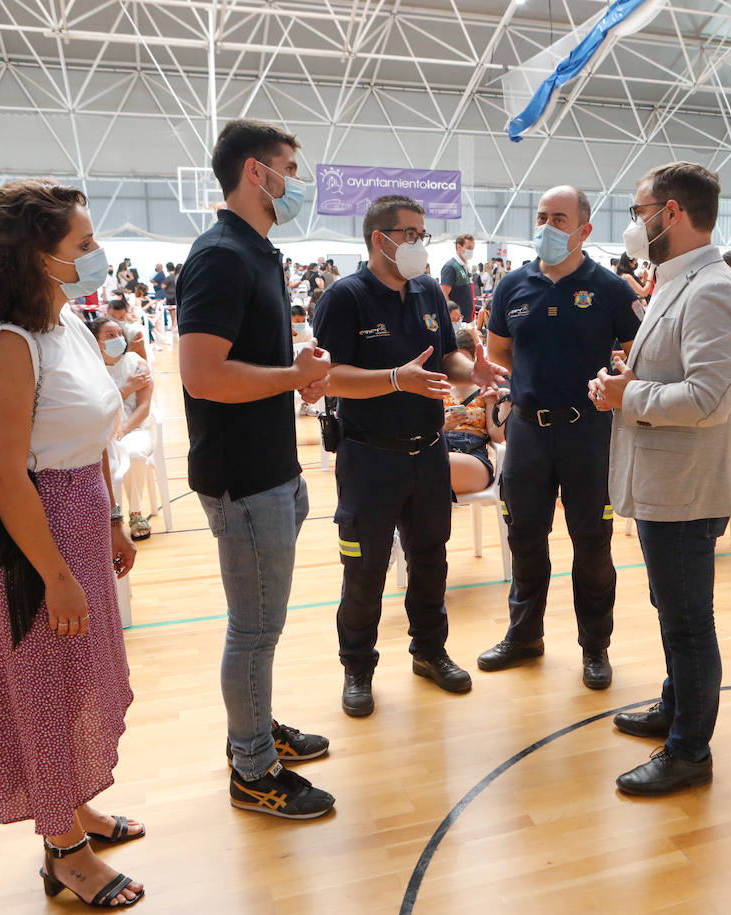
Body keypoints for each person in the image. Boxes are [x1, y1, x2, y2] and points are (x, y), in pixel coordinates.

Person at [0, 179, 143, 908]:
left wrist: (112, 520)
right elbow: (5, 474)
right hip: (34, 538)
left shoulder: (64, 322)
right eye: (83, 244)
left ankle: (75, 806)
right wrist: (57, 575)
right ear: (37, 256)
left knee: (80, 677)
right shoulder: (7, 343)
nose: (96, 254)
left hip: (79, 518)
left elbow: (92, 430)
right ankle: (62, 848)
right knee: (44, 683)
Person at [177, 119, 336, 821]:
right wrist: (287, 376)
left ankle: (257, 728)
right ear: (254, 172)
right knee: (254, 628)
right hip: (244, 477)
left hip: (274, 466)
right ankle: (252, 768)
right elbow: (203, 375)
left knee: (263, 626)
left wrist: (294, 375)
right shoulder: (220, 256)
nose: (296, 181)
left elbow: (255, 363)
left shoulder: (257, 251)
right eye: (289, 168)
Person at [312, 193, 506, 718]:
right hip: (369, 457)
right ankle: (358, 667)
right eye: (412, 234)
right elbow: (327, 378)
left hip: (427, 453)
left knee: (430, 560)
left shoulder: (426, 292)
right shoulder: (344, 298)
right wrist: (397, 379)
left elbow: (446, 357)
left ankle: (430, 650)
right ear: (381, 239)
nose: (421, 243)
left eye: (424, 234)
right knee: (365, 570)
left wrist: (474, 372)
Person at [589, 161, 731, 797]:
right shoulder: (676, 280)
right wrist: (627, 382)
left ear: (672, 213)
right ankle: (674, 704)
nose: (636, 223)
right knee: (672, 608)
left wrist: (628, 395)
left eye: (639, 210)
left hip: (686, 487)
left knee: (687, 622)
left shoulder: (711, 287)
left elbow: (707, 397)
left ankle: (690, 749)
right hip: (665, 480)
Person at [477, 185, 641, 689]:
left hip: (588, 432)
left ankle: (595, 647)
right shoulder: (511, 286)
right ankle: (524, 636)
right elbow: (500, 352)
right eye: (542, 217)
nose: (547, 227)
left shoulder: (613, 289)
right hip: (526, 431)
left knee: (592, 544)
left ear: (584, 230)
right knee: (525, 539)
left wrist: (616, 383)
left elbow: (640, 359)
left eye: (560, 219)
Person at [91, 317, 156, 541]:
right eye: (110, 335)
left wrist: (124, 429)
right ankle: (106, 516)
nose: (117, 339)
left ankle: (136, 512)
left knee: (133, 453)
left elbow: (144, 407)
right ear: (97, 342)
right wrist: (126, 389)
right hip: (101, 431)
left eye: (119, 334)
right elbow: (96, 406)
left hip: (136, 428)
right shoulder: (91, 368)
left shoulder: (136, 362)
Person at [445, 327, 505, 495]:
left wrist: (501, 403)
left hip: (473, 456)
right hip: (441, 448)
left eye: (462, 362)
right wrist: (444, 425)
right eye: (451, 363)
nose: (456, 368)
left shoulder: (484, 387)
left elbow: (497, 437)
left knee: (424, 465)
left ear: (473, 359)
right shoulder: (438, 387)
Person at [440, 232, 476, 324]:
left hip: (468, 318)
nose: (471, 251)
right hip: (457, 320)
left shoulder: (465, 266)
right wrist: (452, 315)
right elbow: (444, 294)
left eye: (472, 248)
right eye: (468, 248)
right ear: (459, 247)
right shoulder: (451, 266)